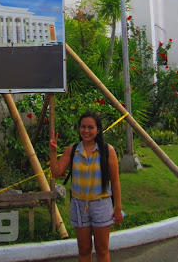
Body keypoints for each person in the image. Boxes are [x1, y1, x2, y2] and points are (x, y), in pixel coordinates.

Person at [49, 111, 123, 262]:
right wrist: (53, 151)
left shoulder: (108, 151)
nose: (86, 131)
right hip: (79, 205)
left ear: (98, 129)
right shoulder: (73, 149)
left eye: (90, 127)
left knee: (102, 250)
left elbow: (115, 181)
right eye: (83, 127)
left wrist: (118, 208)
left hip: (101, 204)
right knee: (83, 249)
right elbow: (56, 172)